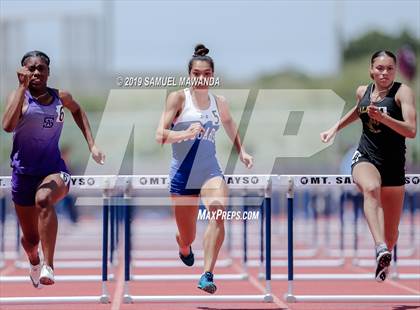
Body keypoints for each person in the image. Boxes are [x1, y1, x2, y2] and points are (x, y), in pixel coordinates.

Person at [2, 51, 105, 288]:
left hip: (54, 170)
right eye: (31, 69)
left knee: (44, 198)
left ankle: (49, 265)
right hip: (23, 173)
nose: (36, 73)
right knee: (30, 239)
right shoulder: (20, 98)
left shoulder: (61, 97)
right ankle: (34, 259)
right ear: (23, 72)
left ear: (48, 72)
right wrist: (20, 88)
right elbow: (8, 126)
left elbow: (78, 111)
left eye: (41, 68)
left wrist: (92, 144)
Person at [156, 44, 253, 294]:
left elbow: (230, 125)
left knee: (218, 211)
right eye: (197, 74)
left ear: (213, 75)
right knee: (187, 235)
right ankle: (184, 245)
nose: (202, 78)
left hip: (210, 171)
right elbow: (160, 135)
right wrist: (184, 133)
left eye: (207, 74)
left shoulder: (219, 102)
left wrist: (241, 151)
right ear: (190, 75)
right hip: (182, 175)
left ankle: (207, 274)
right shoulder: (178, 98)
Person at [320, 50, 417, 282]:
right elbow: (359, 111)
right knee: (371, 188)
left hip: (393, 165)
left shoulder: (402, 92)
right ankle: (379, 246)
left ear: (395, 70)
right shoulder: (363, 92)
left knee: (392, 233)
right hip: (365, 157)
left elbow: (411, 130)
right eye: (380, 68)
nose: (384, 73)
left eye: (389, 69)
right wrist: (335, 128)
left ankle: (385, 254)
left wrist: (385, 119)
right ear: (371, 70)